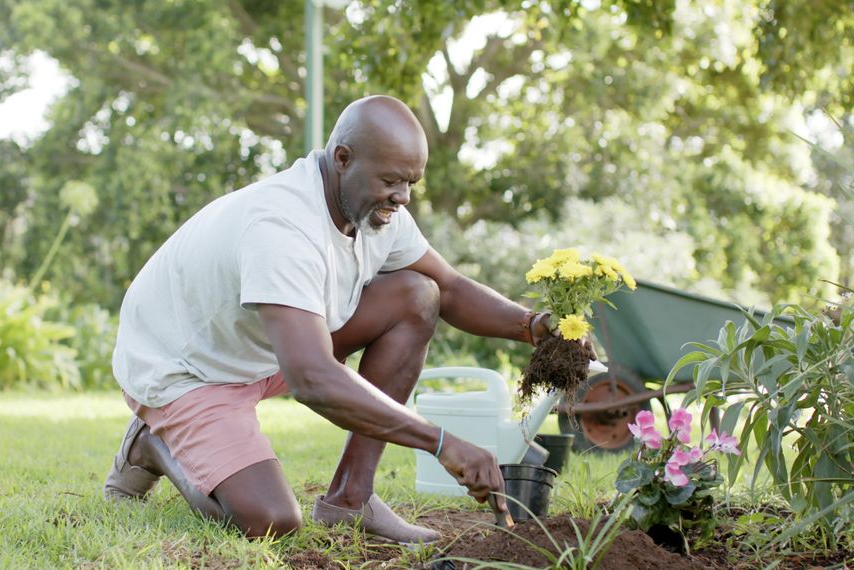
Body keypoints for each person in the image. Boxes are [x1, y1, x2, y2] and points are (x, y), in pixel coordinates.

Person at [103, 95, 561, 544]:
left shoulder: (378, 209)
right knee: (270, 522)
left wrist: (534, 326)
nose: (402, 197)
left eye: (411, 183)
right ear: (342, 158)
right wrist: (441, 442)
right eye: (391, 181)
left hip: (268, 345)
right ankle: (152, 445)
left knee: (419, 296)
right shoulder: (281, 227)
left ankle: (350, 499)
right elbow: (312, 378)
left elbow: (453, 288)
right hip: (187, 369)